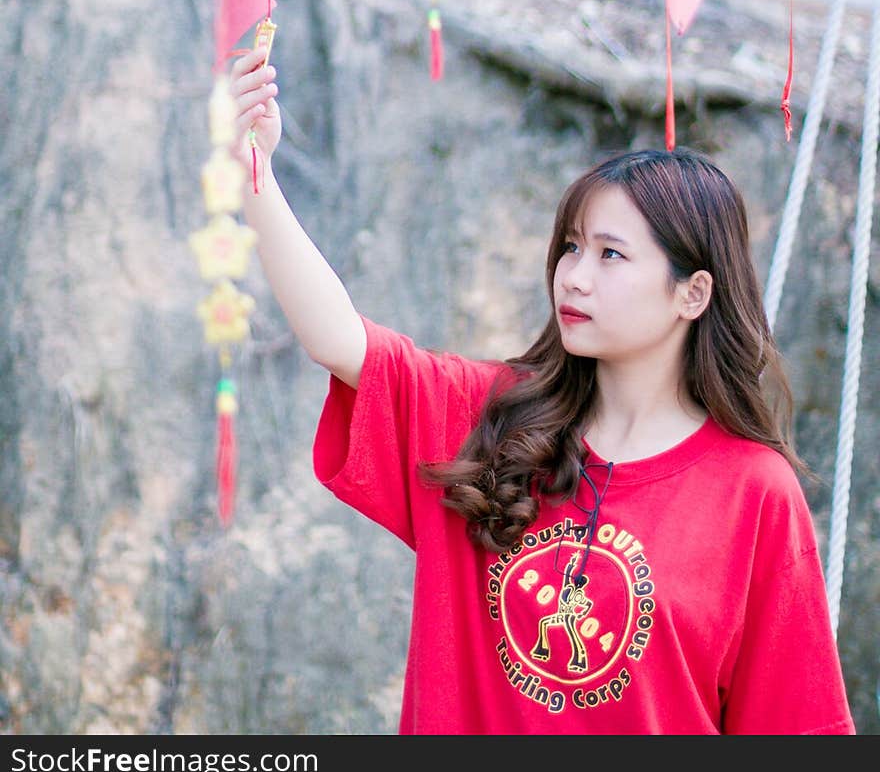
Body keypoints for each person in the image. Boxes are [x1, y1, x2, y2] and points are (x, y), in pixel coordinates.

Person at [228, 44, 856, 736]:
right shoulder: (487, 417)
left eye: (610, 255)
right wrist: (254, 173)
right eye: (571, 247)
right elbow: (337, 338)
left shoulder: (755, 493)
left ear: (693, 292)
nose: (574, 277)